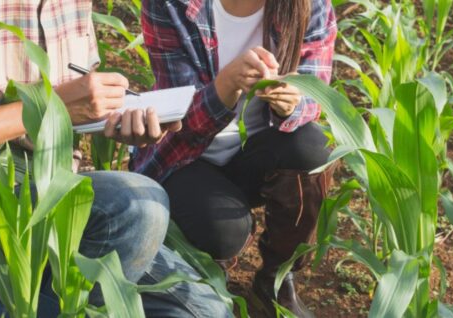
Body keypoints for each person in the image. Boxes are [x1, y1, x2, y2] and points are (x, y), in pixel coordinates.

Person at [0, 1, 231, 317]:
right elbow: (60, 105)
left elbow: (79, 100)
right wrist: (51, 105)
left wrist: (120, 120)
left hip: (52, 192)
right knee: (134, 206)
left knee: (207, 310)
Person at [131, 0, 337, 317]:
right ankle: (209, 281)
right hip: (185, 156)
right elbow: (177, 118)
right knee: (224, 229)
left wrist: (293, 101)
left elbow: (315, 88)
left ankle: (276, 281)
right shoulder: (171, 4)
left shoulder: (310, 5)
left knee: (314, 149)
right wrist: (226, 85)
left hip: (257, 149)